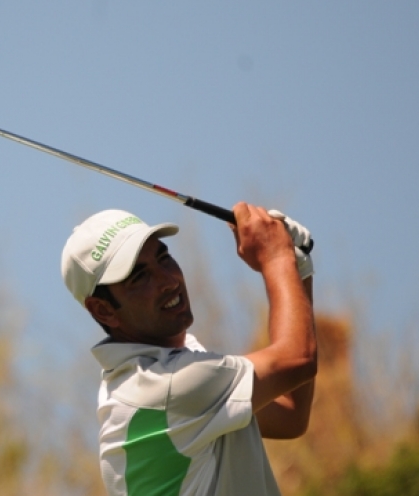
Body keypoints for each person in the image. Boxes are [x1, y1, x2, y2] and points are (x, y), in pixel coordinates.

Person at [60, 202, 316, 495]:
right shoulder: (166, 386)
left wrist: (297, 266)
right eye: (140, 277)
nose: (168, 281)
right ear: (103, 310)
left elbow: (290, 415)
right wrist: (277, 256)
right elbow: (298, 359)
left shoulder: (160, 373)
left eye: (164, 258)